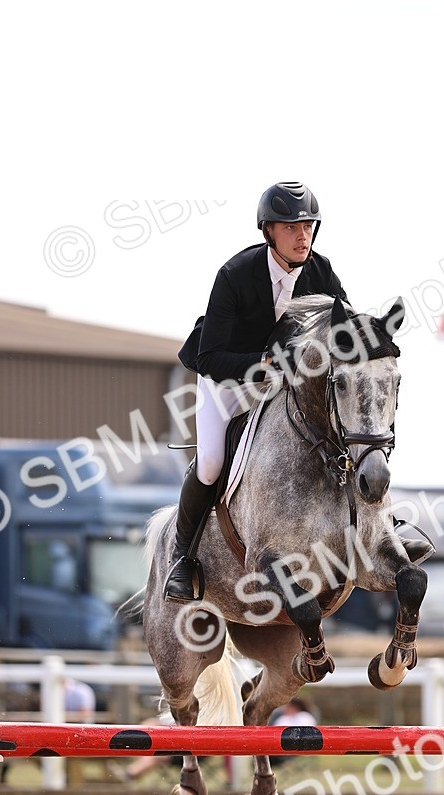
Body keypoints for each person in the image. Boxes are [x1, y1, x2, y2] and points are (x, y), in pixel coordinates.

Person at [164, 181, 348, 602]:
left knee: (343, 436)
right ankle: (181, 557)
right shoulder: (235, 275)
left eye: (308, 226)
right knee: (211, 462)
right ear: (268, 231)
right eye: (291, 228)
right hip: (229, 379)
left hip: (286, 383)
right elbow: (210, 357)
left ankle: (379, 528)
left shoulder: (321, 272)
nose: (303, 236)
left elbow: (346, 330)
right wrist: (266, 363)